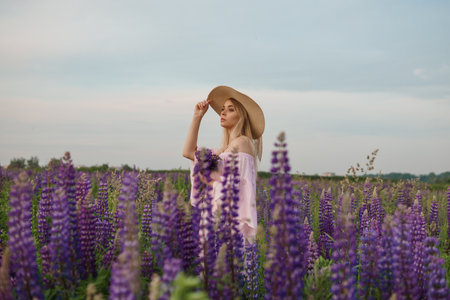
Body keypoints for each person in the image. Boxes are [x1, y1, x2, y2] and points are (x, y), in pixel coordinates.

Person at [182, 85, 265, 243]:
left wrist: (209, 178)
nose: (223, 112)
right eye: (222, 109)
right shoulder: (225, 149)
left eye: (231, 109)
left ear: (242, 116)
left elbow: (229, 184)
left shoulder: (242, 142)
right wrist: (197, 116)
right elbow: (188, 152)